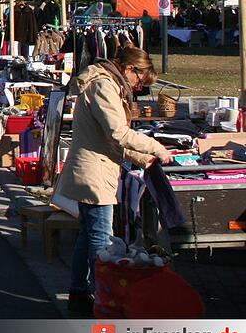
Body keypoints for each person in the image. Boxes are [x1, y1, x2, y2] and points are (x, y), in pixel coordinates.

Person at [57, 45, 172, 318]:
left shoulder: (104, 83)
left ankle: (80, 293)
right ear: (130, 70)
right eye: (139, 81)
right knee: (100, 239)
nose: (138, 87)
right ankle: (102, 297)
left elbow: (110, 137)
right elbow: (117, 132)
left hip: (93, 168)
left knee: (88, 235)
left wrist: (141, 158)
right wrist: (155, 147)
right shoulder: (104, 87)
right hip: (93, 173)